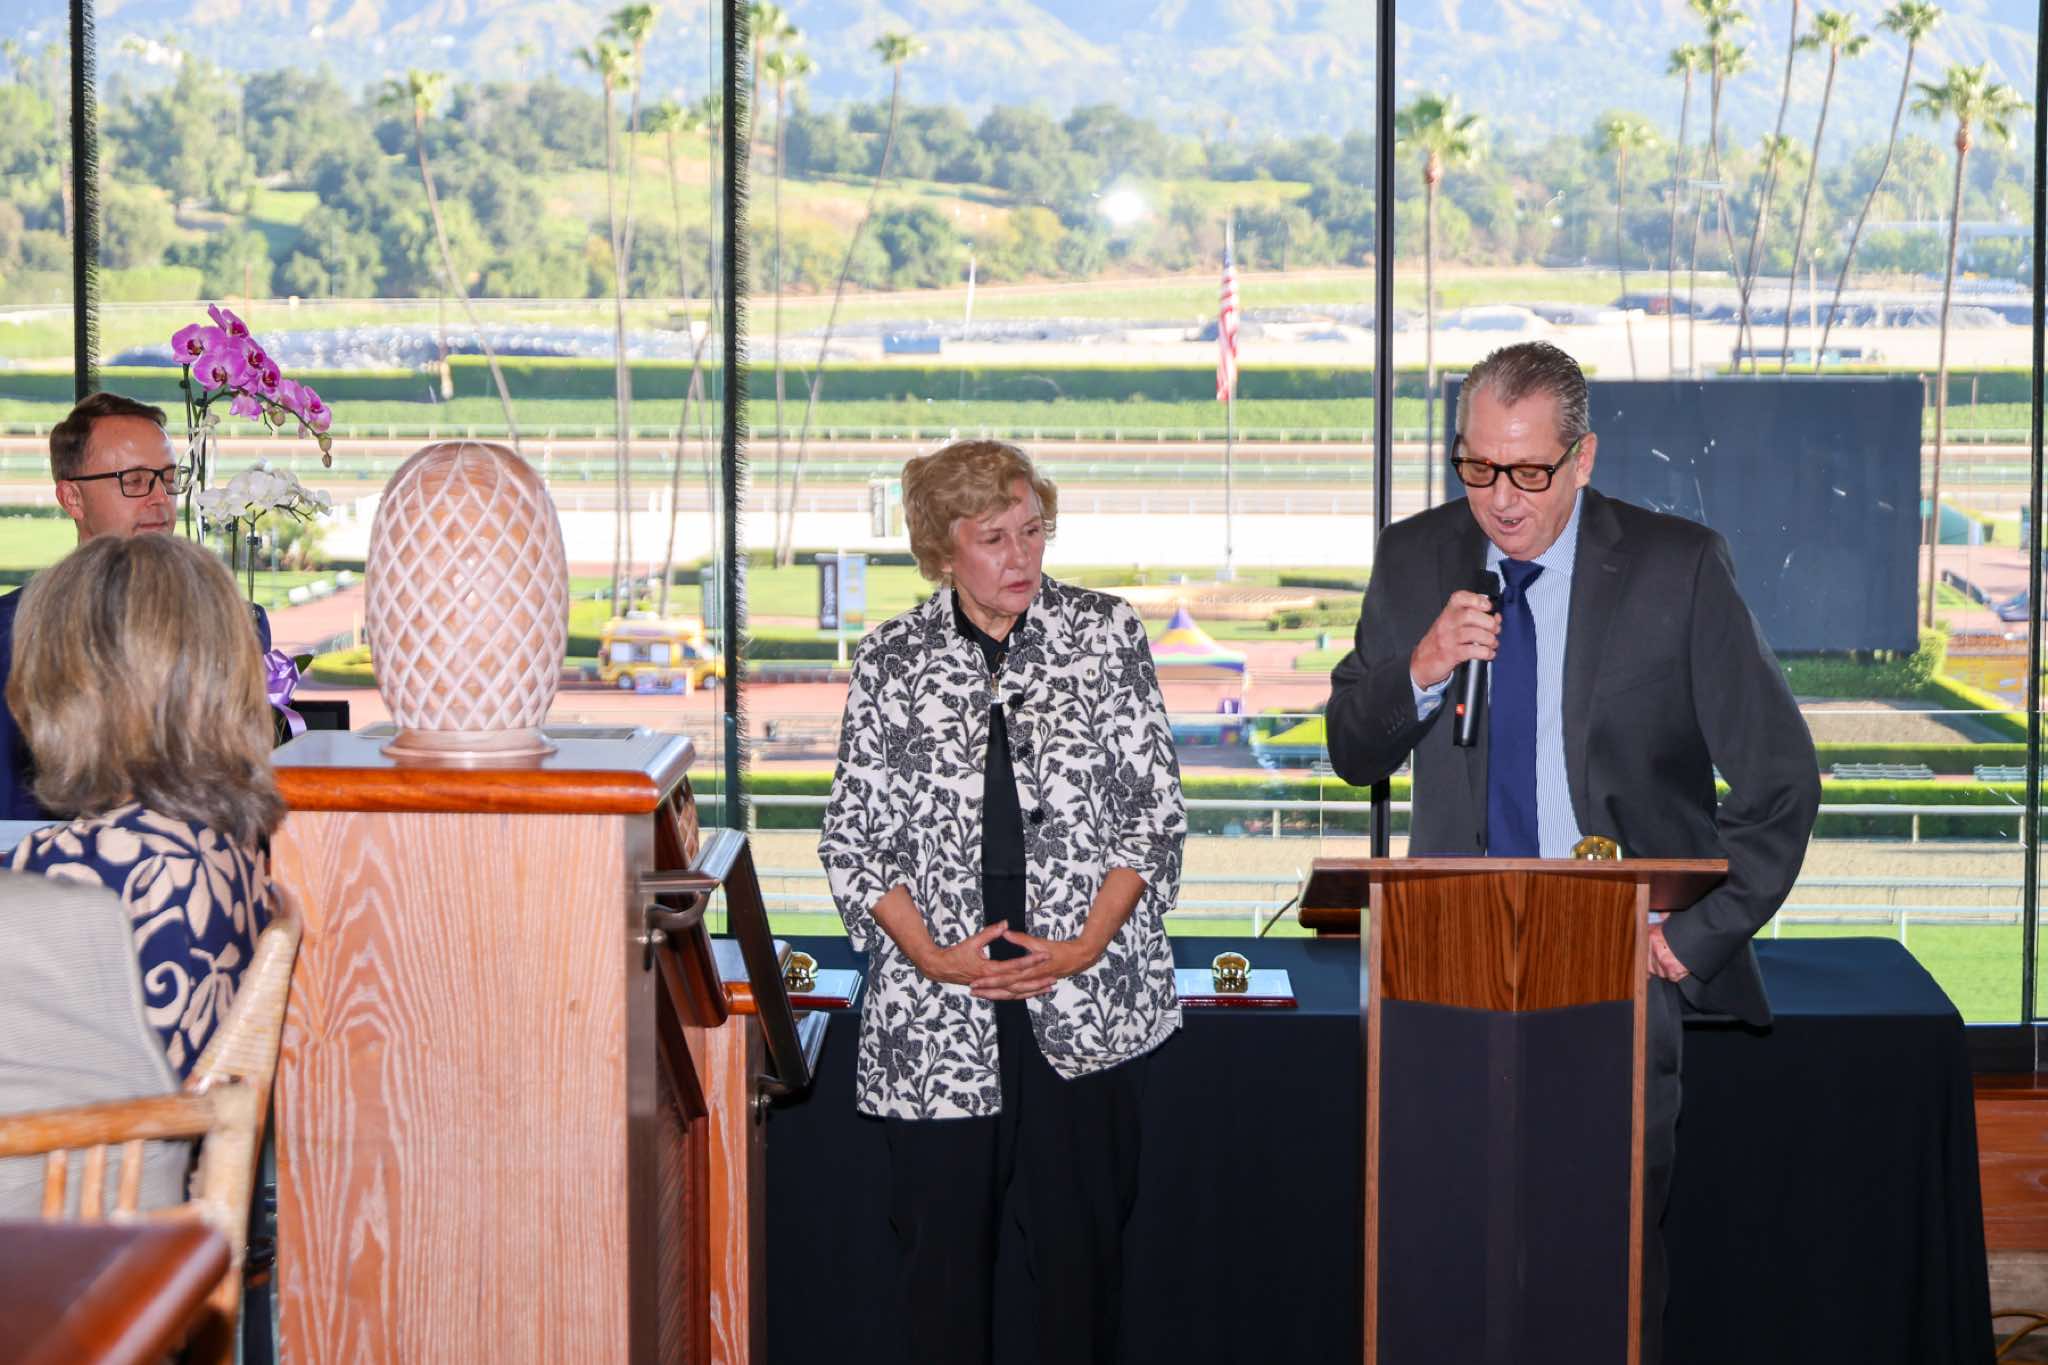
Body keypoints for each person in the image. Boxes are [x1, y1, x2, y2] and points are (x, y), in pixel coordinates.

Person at [1324, 340, 1820, 1361]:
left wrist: (1693, 934)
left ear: (1583, 458)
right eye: (1476, 467)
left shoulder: (1677, 566)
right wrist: (1420, 667)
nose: (1500, 499)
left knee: (1600, 1269)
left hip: (1614, 963)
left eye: (1528, 472)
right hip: (1443, 963)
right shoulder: (1413, 557)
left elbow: (1780, 780)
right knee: (1443, 1265)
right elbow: (1350, 749)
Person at [819, 438, 1185, 1364]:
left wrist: (1085, 946)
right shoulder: (891, 658)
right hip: (936, 1007)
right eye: (994, 537)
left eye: (1032, 529)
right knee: (941, 1282)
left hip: (1087, 996)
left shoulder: (1106, 632)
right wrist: (932, 956)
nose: (1021, 556)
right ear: (942, 549)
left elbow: (1153, 815)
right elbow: (854, 842)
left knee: (1081, 1278)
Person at [5, 533, 283, 1079]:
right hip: (167, 1126)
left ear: (69, 686)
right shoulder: (230, 840)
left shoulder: (87, 869)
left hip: (98, 1134)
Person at [0, 392, 273, 820]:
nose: (159, 498)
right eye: (134, 480)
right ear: (72, 498)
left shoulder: (233, 623)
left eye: (168, 478)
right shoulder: (10, 633)